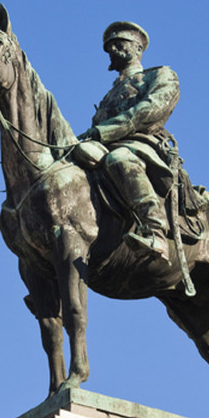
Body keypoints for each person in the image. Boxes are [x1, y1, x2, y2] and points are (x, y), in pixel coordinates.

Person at [75, 21, 180, 263]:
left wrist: (104, 131)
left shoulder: (160, 74)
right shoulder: (109, 95)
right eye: (109, 47)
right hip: (106, 145)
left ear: (138, 47)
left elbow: (150, 110)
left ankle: (155, 231)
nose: (112, 50)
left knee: (119, 158)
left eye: (118, 44)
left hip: (142, 145)